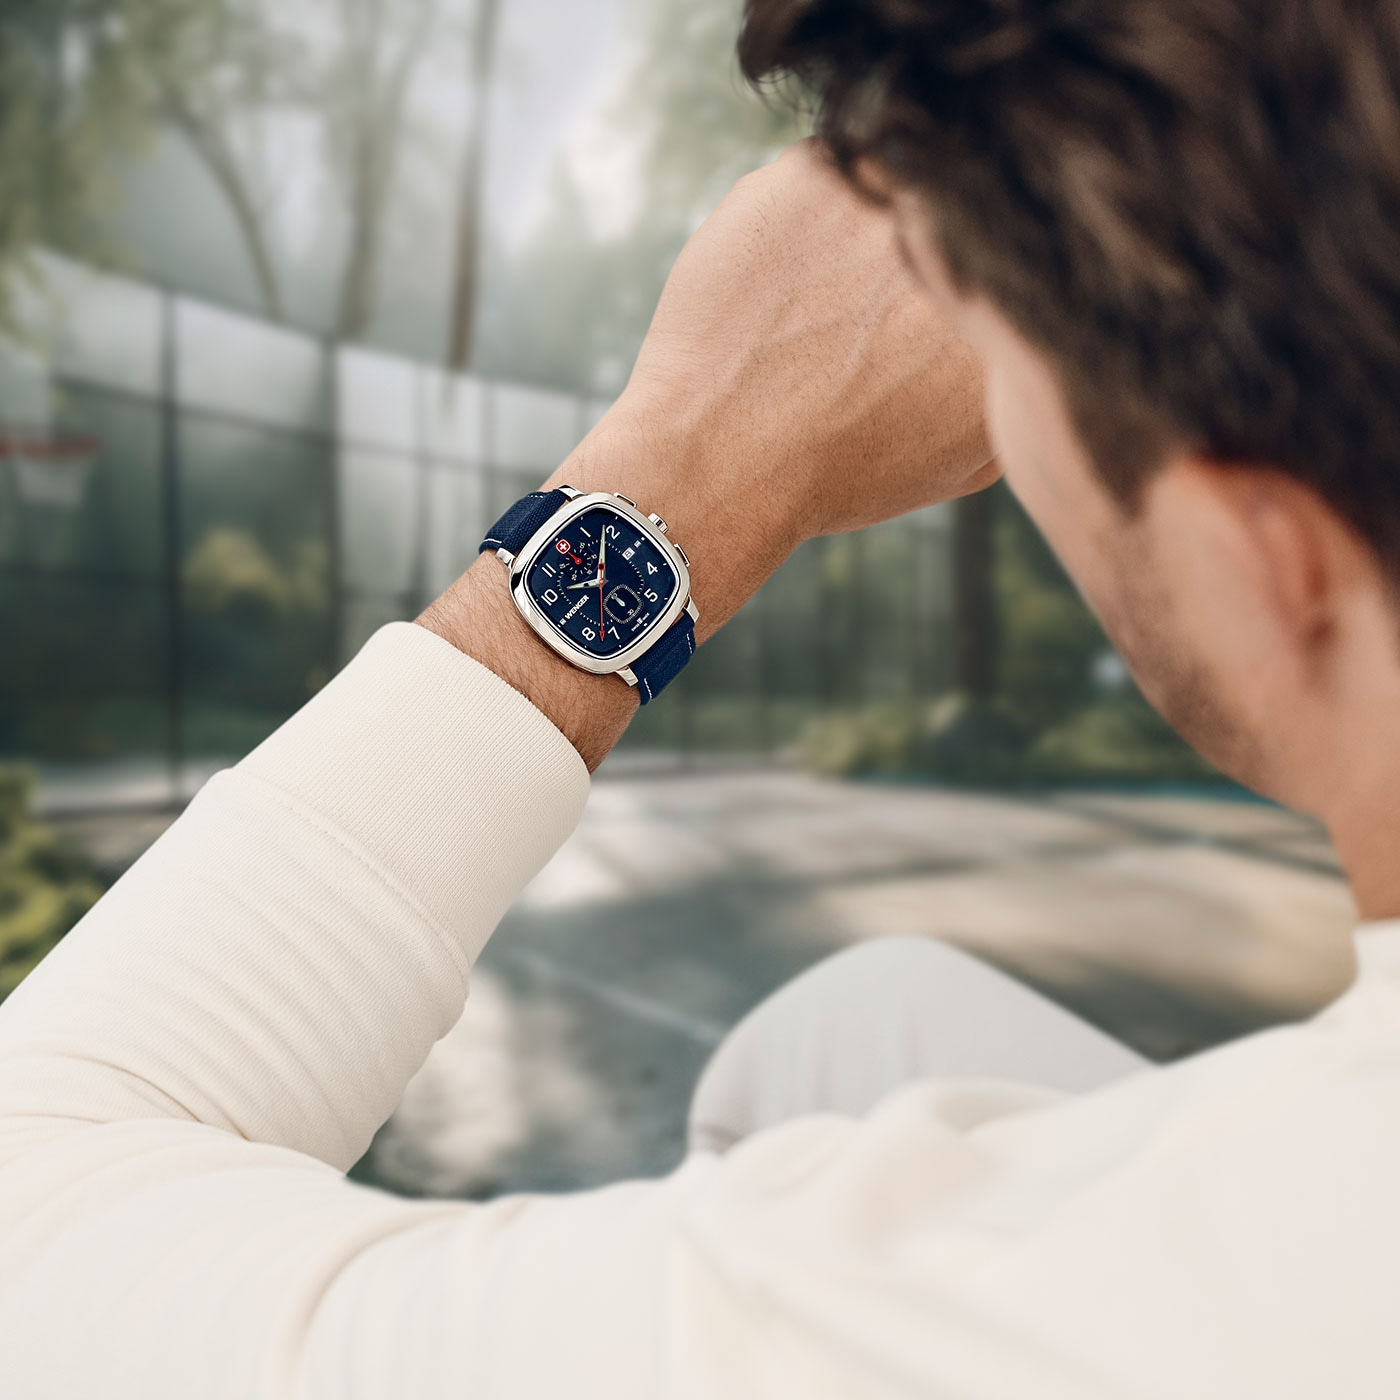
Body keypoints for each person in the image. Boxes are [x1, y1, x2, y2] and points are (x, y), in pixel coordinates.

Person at [3, 0, 1400, 1393]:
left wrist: (693, 449)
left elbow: (35, 1217)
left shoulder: (979, 1309)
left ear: (1269, 570)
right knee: (862, 1030)